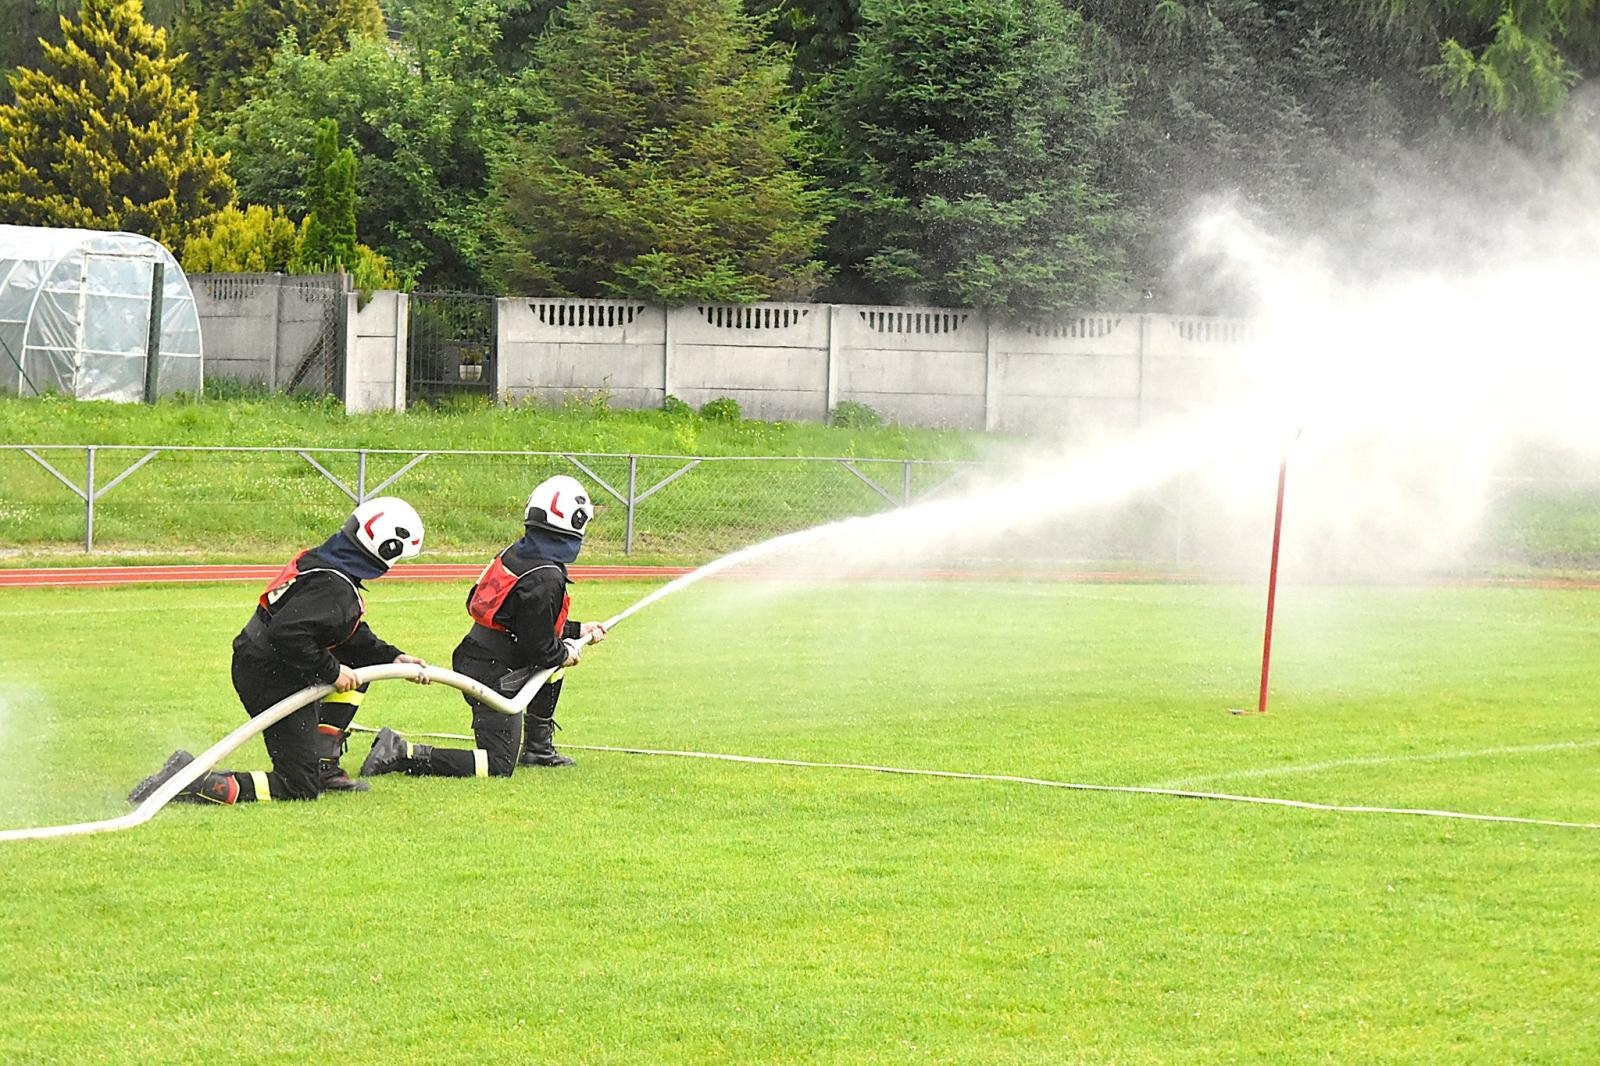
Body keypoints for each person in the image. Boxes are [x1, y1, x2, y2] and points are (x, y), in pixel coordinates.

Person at [128, 497, 431, 805]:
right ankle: (192, 779)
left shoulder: (329, 562)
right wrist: (330, 670)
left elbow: (340, 631)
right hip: (270, 675)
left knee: (357, 668)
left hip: (266, 662)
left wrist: (393, 657)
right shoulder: (334, 587)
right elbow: (287, 634)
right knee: (298, 786)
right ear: (387, 547)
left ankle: (323, 765)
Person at [360, 475, 605, 781]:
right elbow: (540, 648)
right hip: (494, 674)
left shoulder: (519, 553)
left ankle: (539, 748)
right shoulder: (547, 576)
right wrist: (563, 653)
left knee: (555, 666)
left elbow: (519, 620)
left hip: (480, 657)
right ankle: (401, 752)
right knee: (497, 765)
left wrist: (576, 630)